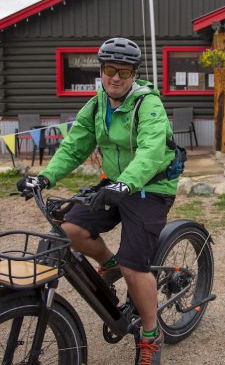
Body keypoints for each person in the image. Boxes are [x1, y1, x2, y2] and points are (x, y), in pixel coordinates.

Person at [17, 37, 177, 364]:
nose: (115, 77)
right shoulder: (97, 103)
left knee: (136, 266)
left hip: (151, 188)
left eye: (124, 71)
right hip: (114, 184)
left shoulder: (148, 104)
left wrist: (127, 184)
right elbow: (74, 147)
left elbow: (151, 151)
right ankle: (109, 264)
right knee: (70, 230)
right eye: (109, 70)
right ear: (101, 71)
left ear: (134, 74)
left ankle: (150, 334)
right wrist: (45, 177)